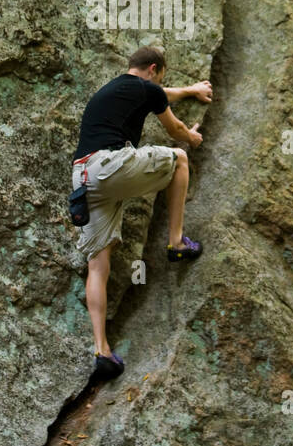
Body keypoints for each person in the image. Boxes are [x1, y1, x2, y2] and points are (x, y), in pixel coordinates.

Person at [71, 45, 212, 379]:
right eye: (160, 76)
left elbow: (161, 94)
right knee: (178, 158)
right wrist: (191, 138)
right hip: (109, 165)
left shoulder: (118, 88)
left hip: (84, 177)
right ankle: (176, 243)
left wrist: (191, 90)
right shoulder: (146, 87)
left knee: (98, 263)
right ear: (154, 68)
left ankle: (102, 351)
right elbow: (174, 128)